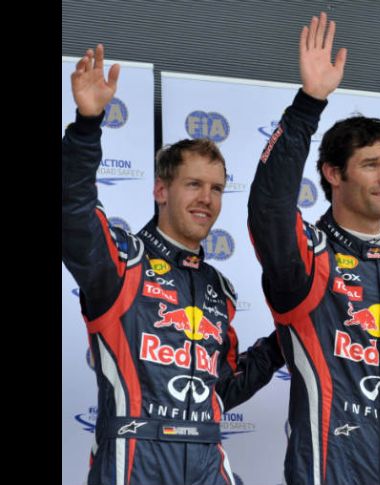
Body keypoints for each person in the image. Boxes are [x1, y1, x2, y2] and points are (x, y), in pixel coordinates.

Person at [62, 44, 283, 485]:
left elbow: (223, 388)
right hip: (133, 460)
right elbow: (74, 213)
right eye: (194, 185)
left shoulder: (219, 288)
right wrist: (87, 128)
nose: (207, 199)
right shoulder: (122, 263)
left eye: (217, 189)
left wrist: (287, 340)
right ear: (161, 191)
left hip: (206, 461)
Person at [248, 12, 380, 485]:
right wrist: (309, 104)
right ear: (334, 174)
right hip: (325, 468)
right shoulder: (309, 253)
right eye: (371, 164)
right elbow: (269, 211)